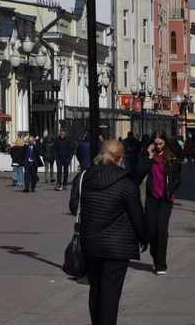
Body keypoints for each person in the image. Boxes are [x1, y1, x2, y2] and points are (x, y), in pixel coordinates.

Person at [70, 139, 148, 325]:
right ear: (121, 159)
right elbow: (137, 215)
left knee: (95, 291)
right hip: (117, 247)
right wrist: (144, 238)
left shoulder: (83, 177)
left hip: (91, 243)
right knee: (110, 296)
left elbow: (75, 207)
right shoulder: (126, 182)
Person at [133, 130, 181, 276]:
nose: (158, 146)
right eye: (156, 144)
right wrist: (148, 156)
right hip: (151, 197)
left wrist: (171, 188)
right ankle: (155, 255)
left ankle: (161, 264)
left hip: (166, 198)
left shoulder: (171, 157)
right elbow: (139, 174)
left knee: (162, 229)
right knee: (151, 231)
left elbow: (178, 177)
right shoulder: (146, 155)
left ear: (165, 142)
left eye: (161, 144)